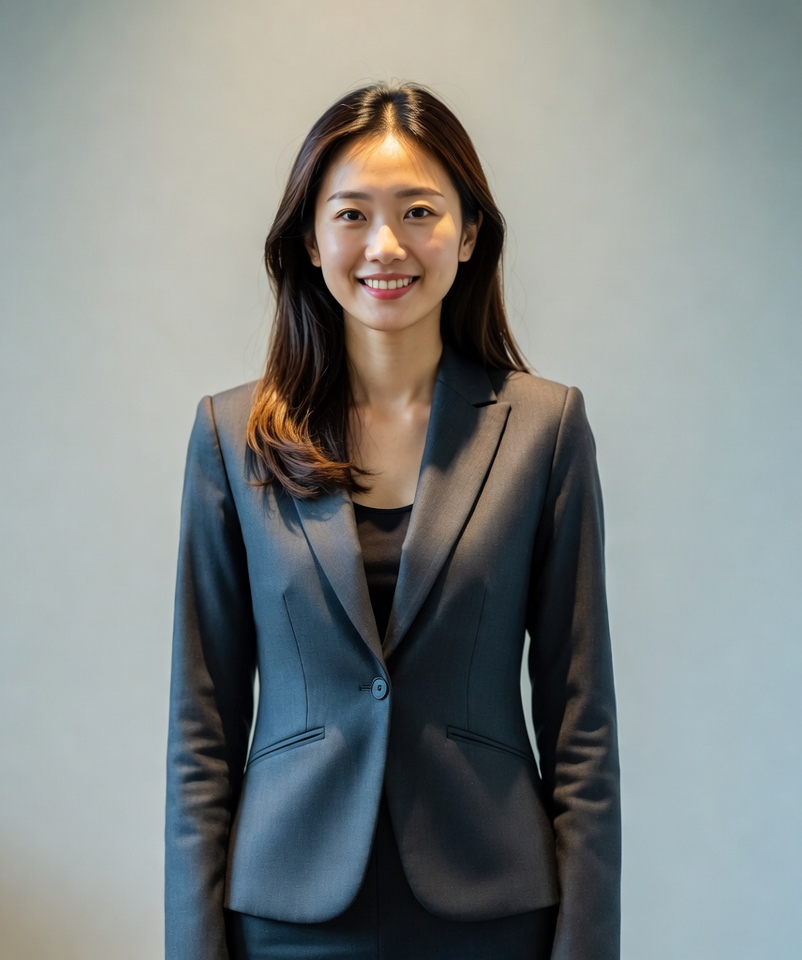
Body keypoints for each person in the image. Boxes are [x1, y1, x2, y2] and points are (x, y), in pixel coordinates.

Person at [165, 82, 620, 960]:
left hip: (491, 907)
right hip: (286, 915)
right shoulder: (232, 436)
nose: (385, 246)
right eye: (351, 214)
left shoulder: (545, 430)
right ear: (309, 237)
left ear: (470, 230)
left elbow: (582, 726)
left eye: (419, 211)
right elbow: (202, 728)